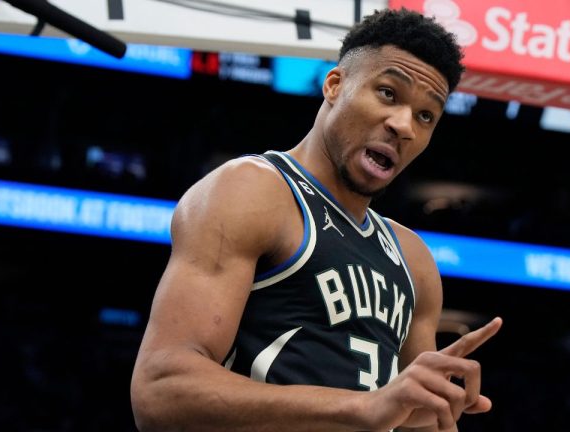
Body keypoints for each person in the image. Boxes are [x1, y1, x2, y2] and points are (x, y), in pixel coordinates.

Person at [130, 8, 502, 432]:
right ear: (334, 85)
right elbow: (160, 390)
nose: (404, 126)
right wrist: (362, 407)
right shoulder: (252, 191)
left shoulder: (413, 260)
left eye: (425, 116)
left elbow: (413, 417)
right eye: (387, 93)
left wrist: (432, 415)